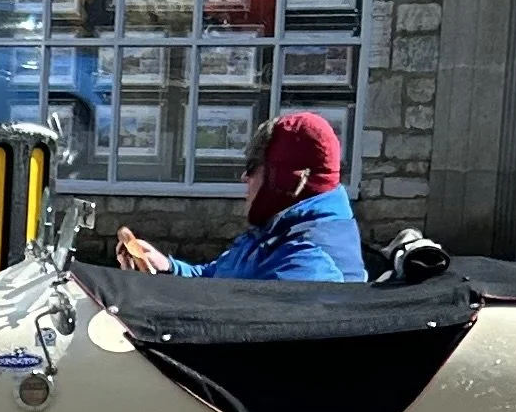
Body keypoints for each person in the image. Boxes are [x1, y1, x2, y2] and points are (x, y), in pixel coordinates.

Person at [116, 110, 366, 283]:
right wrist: (168, 268)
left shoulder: (310, 261)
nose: (244, 178)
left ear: (282, 178)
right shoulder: (279, 231)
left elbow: (234, 324)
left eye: (252, 167)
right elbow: (218, 279)